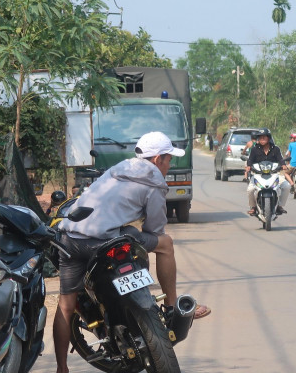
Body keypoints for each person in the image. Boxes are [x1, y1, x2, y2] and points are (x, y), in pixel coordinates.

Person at [52, 131, 210, 373]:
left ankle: (62, 368)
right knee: (165, 244)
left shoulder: (117, 168)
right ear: (158, 159)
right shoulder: (155, 181)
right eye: (168, 159)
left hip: (71, 237)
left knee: (65, 306)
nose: (169, 164)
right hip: (102, 243)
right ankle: (170, 308)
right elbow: (154, 229)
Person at [245, 128, 292, 216]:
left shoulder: (276, 149)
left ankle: (280, 206)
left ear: (269, 138)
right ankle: (253, 207)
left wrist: (283, 165)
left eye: (264, 137)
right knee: (250, 190)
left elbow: (280, 159)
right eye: (260, 137)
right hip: (258, 175)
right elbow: (250, 160)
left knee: (287, 186)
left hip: (274, 174)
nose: (262, 139)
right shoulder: (254, 149)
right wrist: (248, 166)